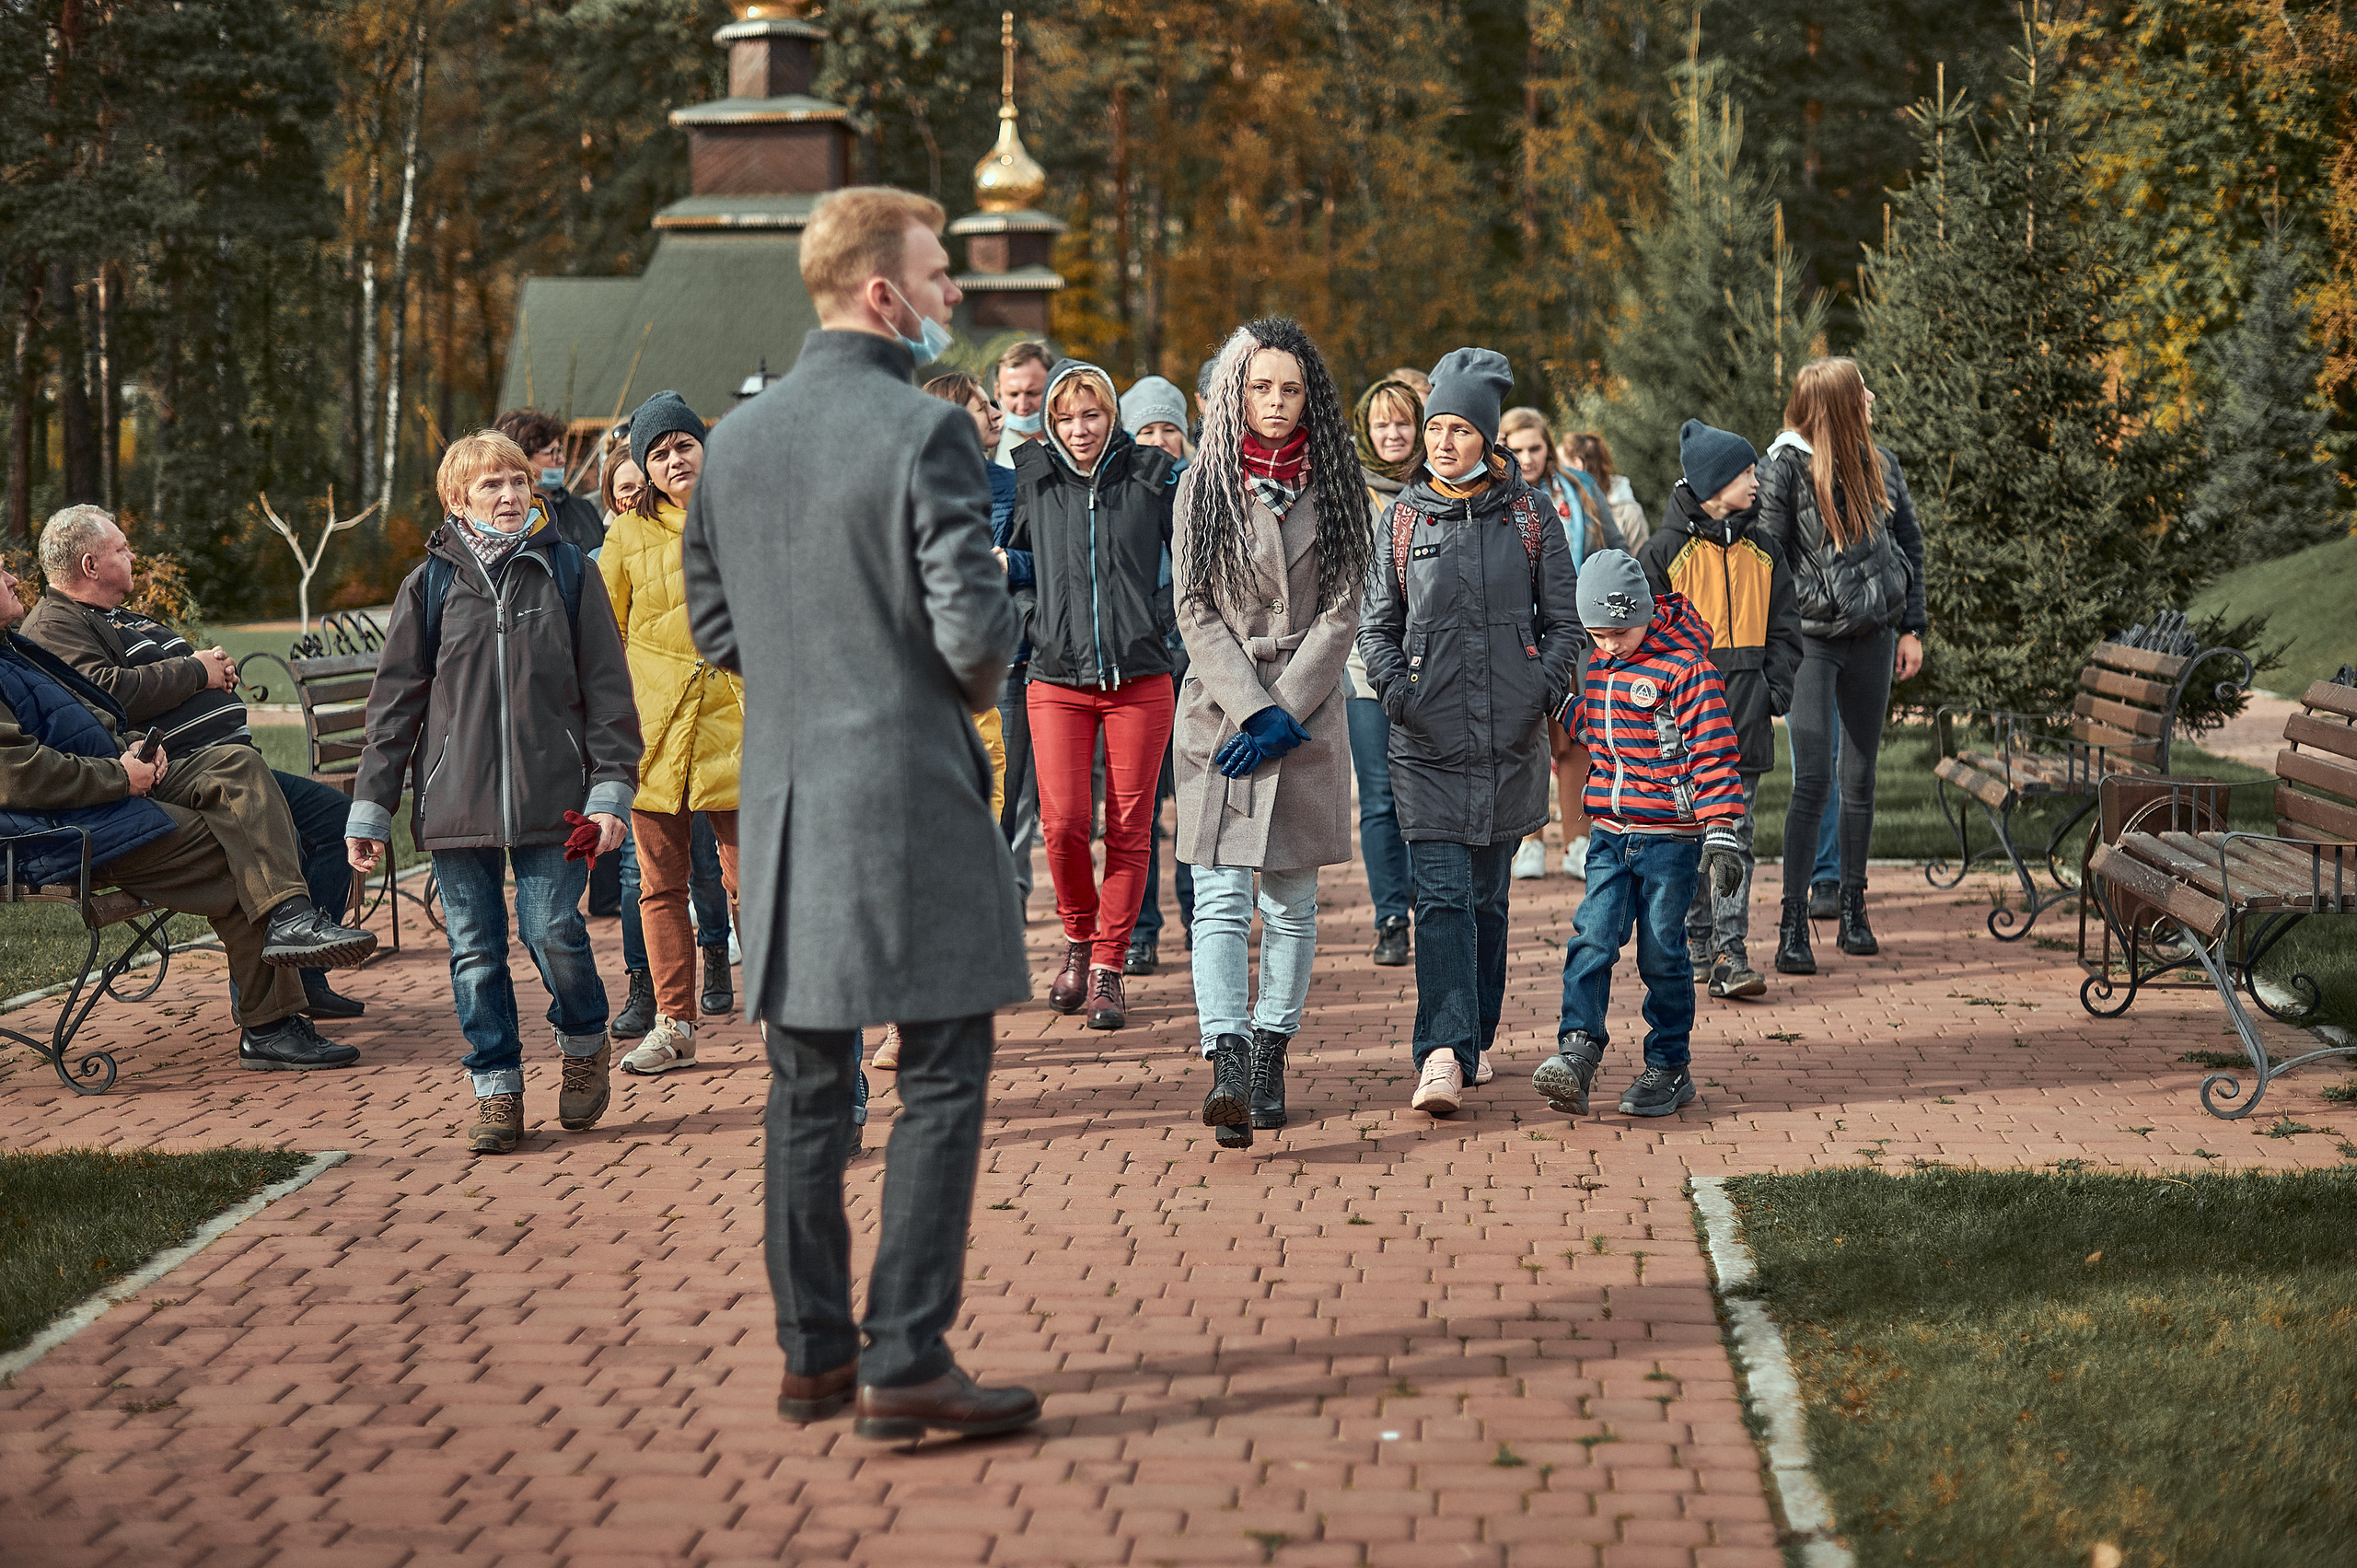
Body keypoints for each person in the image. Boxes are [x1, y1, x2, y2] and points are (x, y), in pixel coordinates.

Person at [680, 185, 1037, 1441]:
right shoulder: (926, 435)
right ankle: (906, 1354)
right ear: (883, 291)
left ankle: (814, 1358)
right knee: (942, 1068)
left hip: (782, 800)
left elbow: (714, 623)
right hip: (911, 793)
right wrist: (961, 664)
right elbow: (975, 634)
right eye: (940, 276)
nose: (952, 296)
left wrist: (807, 682)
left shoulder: (733, 441)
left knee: (805, 1080)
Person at [345, 430, 639, 1149]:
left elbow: (609, 694)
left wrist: (609, 794)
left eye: (517, 481)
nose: (510, 495)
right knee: (475, 952)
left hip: (554, 798)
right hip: (456, 801)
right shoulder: (431, 584)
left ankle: (581, 1042)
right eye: (490, 485)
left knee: (551, 931)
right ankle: (498, 1090)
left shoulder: (569, 570)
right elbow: (395, 706)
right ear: (457, 499)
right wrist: (371, 808)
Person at [1, 565, 373, 1070]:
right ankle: (270, 1027)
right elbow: (18, 775)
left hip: (109, 790)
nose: (10, 575)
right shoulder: (39, 635)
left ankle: (291, 920)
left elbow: (81, 723)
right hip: (65, 828)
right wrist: (118, 775)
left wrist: (130, 749)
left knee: (237, 762)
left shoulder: (13, 650)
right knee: (239, 849)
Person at [1355, 348, 1581, 1117]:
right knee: (1442, 894)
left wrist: (1535, 691)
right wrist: (1398, 689)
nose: (1442, 442)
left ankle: (1473, 1034)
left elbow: (1566, 625)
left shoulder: (1530, 517)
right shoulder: (1402, 518)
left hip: (1508, 738)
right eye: (1435, 427)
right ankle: (1442, 1052)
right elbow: (1376, 625)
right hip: (1425, 738)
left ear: (1487, 437)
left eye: (1458, 429)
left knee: (1487, 897)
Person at [1173, 319, 1370, 1150]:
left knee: (1289, 900)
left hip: (1308, 711)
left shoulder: (1340, 481)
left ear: (1310, 395)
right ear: (1236, 391)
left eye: (1291, 388)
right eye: (1261, 387)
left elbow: (1344, 610)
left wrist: (1286, 708)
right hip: (1222, 713)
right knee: (1219, 894)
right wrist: (1252, 709)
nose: (1277, 403)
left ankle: (1269, 1056)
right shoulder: (1203, 481)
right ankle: (1225, 1056)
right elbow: (1192, 607)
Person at [1531, 552, 1746, 1121]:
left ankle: (1669, 1066)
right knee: (1592, 940)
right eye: (1596, 636)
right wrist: (1559, 704)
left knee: (1661, 954)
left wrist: (1722, 830)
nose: (1609, 646)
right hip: (1609, 836)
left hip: (1670, 840)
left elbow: (1714, 752)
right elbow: (1598, 733)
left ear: (1646, 612)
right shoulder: (1601, 668)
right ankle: (1577, 1052)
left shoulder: (1686, 671)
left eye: (1619, 632)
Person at [1008, 358, 1179, 1031]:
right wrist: (1034, 622)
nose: (1079, 429)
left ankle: (1107, 963)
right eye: (1066, 417)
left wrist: (1156, 620)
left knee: (1131, 829)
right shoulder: (1035, 478)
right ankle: (1078, 936)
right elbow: (1014, 565)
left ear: (1112, 418)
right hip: (1055, 678)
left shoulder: (1151, 476)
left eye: (1092, 415)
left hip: (1140, 678)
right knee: (1063, 824)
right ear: (1051, 422)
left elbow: (1192, 564)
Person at [1755, 357, 1926, 974]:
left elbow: (1911, 546)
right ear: (1837, 403)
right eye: (1863, 390)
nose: (1873, 395)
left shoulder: (1882, 464)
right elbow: (1768, 560)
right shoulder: (1783, 469)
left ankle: (1854, 907)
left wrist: (1913, 627)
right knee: (1812, 780)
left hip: (1875, 637)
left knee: (1860, 779)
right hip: (1813, 642)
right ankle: (1792, 924)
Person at [599, 389, 745, 1074]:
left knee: (757, 883)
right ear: (644, 468)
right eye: (657, 452)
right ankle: (674, 1023)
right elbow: (606, 636)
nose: (673, 458)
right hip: (654, 735)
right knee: (660, 885)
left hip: (740, 725)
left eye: (683, 443)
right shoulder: (626, 535)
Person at [1637, 420, 1802, 1001]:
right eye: (1747, 471)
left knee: (1737, 835)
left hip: (1747, 721)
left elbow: (1787, 631)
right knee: (1690, 837)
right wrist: (1662, 714)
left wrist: (1772, 692)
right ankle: (1698, 943)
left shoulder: (1767, 551)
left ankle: (1732, 954)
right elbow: (1643, 644)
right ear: (1715, 481)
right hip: (1683, 730)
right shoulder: (1662, 554)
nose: (1757, 481)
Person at [1500, 407, 1623, 885]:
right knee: (1526, 733)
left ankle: (1578, 838)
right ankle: (1530, 842)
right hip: (1516, 632)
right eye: (1517, 447)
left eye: (1536, 448)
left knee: (1577, 734)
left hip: (1578, 629)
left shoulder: (1579, 491)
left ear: (1549, 447)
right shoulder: (1493, 494)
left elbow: (1613, 546)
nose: (1527, 458)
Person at [1118, 372, 1194, 976]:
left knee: (1192, 804)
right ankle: (1141, 930)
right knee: (1137, 807)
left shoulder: (1199, 489)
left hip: (1193, 666)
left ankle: (1198, 916)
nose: (1160, 439)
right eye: (1147, 428)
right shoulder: (1116, 492)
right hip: (1137, 665)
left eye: (1170, 428)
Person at [1347, 377, 1423, 966]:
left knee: (1427, 790)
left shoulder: (1440, 485)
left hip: (1432, 664)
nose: (1393, 434)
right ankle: (1390, 916)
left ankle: (1435, 902)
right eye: (1381, 425)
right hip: (1363, 664)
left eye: (1403, 423)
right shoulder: (1347, 490)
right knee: (1379, 797)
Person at [495, 409, 605, 556]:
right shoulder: (508, 517)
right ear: (521, 459)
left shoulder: (584, 509)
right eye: (551, 452)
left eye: (560, 450)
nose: (561, 460)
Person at [1567, 432, 1650, 554]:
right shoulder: (1567, 506)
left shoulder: (1629, 512)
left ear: (1577, 465)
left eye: (1560, 464)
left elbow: (1641, 564)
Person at [993, 340, 1053, 467]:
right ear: (997, 393)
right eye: (1013, 394)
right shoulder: (986, 447)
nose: (1023, 406)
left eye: (1033, 393)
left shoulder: (1077, 442)